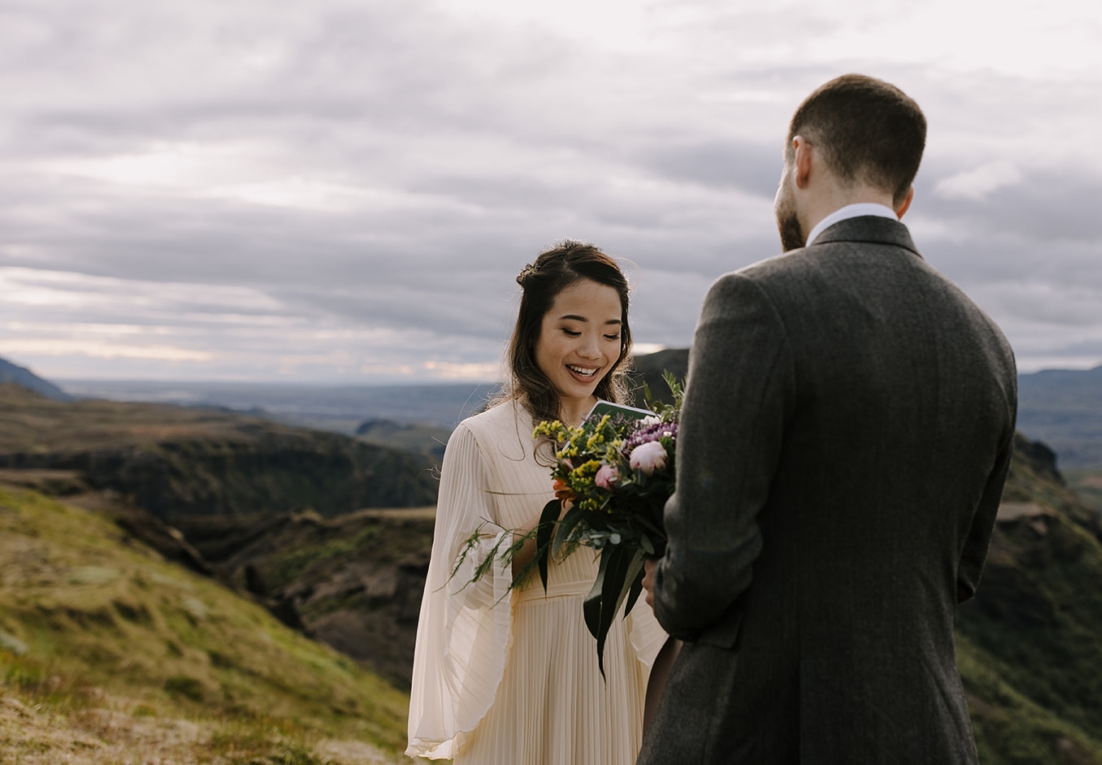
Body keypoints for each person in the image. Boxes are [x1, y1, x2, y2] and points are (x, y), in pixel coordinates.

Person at [639, 74, 1017, 763]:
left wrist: (665, 587)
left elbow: (708, 562)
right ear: (904, 196)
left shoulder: (753, 300)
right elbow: (960, 571)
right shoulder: (987, 341)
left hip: (759, 726)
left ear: (801, 158)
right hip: (922, 729)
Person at [407, 241, 668, 763]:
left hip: (622, 669)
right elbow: (468, 585)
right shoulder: (480, 439)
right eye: (571, 331)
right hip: (528, 674)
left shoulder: (638, 439)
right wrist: (564, 514)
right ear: (531, 331)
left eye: (611, 334)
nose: (593, 350)